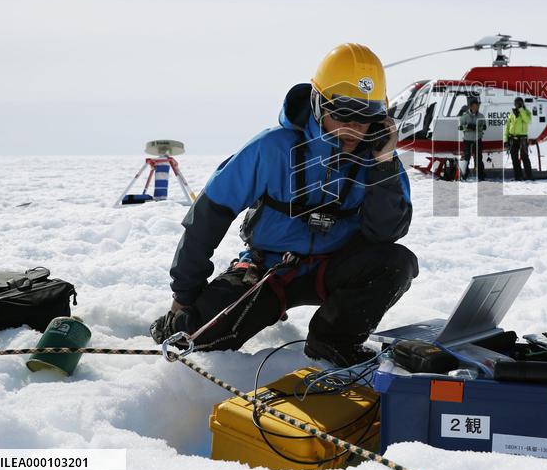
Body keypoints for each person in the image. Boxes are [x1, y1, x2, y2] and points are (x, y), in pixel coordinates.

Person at [150, 43, 417, 367]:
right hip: (271, 269)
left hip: (333, 268)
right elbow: (207, 219)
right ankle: (177, 327)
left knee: (397, 262)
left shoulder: (379, 160)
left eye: (367, 119)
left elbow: (385, 232)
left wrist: (384, 164)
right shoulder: (271, 148)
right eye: (343, 114)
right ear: (319, 104)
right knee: (199, 339)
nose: (354, 129)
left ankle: (332, 341)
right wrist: (184, 298)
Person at [503, 96, 534, 181]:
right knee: (514, 158)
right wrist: (506, 140)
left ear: (522, 103)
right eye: (516, 103)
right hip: (513, 138)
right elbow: (507, 127)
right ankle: (518, 176)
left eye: (519, 103)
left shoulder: (526, 112)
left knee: (524, 157)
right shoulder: (512, 114)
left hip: (522, 138)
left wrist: (521, 110)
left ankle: (529, 176)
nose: (517, 105)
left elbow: (528, 121)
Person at [458, 96, 487, 180]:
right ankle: (464, 175)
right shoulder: (465, 116)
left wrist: (477, 128)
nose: (476, 107)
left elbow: (484, 127)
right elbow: (459, 127)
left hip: (477, 139)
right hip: (467, 140)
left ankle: (481, 176)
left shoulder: (481, 116)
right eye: (474, 106)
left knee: (478, 158)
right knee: (466, 157)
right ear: (470, 106)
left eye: (477, 106)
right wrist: (468, 127)